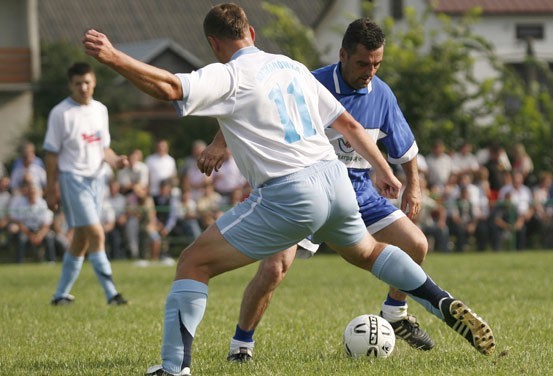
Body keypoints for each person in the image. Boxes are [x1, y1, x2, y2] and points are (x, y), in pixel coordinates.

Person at [83, 5, 495, 375]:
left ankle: (174, 369)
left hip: (291, 192)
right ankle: (437, 299)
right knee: (368, 252)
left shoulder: (228, 75)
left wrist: (114, 57)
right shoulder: (291, 66)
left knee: (193, 263)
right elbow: (349, 125)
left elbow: (171, 88)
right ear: (253, 34)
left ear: (213, 43)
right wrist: (384, 169)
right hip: (335, 182)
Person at [202, 17, 435, 361]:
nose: (370, 71)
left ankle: (395, 315)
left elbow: (407, 150)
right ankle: (241, 346)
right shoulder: (308, 80)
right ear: (342, 55)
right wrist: (220, 143)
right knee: (274, 269)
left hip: (359, 195)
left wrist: (413, 186)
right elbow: (256, 105)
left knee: (416, 244)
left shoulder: (382, 94)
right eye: (362, 63)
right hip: (307, 191)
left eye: (377, 63)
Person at [44, 62, 128, 306]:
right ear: (70, 84)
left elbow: (104, 149)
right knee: (96, 232)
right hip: (72, 179)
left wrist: (117, 161)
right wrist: (51, 189)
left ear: (94, 83)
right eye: (78, 83)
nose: (83, 87)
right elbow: (51, 154)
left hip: (97, 180)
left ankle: (60, 295)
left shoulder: (100, 110)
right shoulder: (60, 113)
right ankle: (112, 293)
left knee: (81, 239)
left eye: (87, 82)